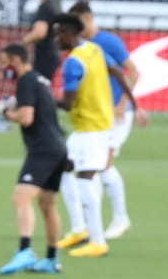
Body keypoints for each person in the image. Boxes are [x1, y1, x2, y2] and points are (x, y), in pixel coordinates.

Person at [51, 14, 143, 259]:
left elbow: (68, 104)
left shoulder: (74, 62)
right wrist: (136, 105)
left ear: (69, 33)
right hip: (97, 124)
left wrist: (42, 99)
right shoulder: (94, 49)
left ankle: (98, 241)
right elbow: (118, 73)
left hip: (90, 129)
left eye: (59, 33)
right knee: (62, 168)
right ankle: (80, 230)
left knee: (86, 177)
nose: (56, 37)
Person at [69, 0, 147, 241]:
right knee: (88, 165)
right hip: (96, 115)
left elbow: (133, 71)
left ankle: (120, 218)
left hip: (116, 114)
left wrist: (123, 104)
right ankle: (88, 223)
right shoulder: (80, 46)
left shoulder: (108, 42)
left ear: (89, 19)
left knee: (103, 163)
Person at [0, 43, 69, 275]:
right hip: (59, 147)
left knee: (21, 198)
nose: (3, 67)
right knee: (47, 205)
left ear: (16, 59)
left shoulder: (25, 80)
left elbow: (27, 118)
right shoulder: (41, 80)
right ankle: (51, 259)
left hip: (43, 149)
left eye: (5, 62)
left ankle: (25, 251)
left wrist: (5, 113)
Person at [21, 0, 62, 85]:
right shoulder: (56, 3)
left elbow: (40, 33)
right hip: (54, 52)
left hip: (45, 55)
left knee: (39, 86)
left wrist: (24, 42)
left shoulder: (45, 6)